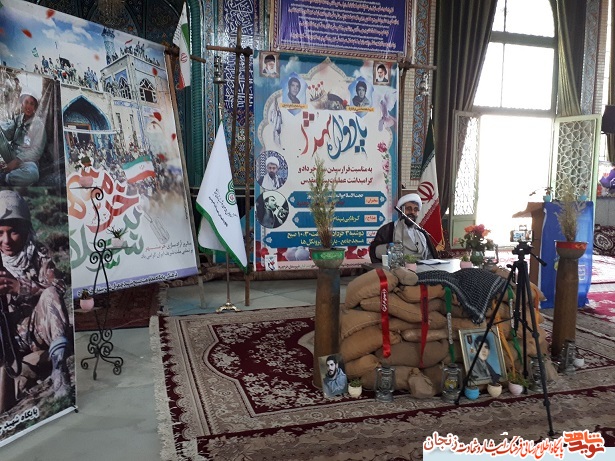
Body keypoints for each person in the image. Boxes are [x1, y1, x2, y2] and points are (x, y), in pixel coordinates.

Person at [0, 190, 71, 413]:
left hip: (37, 331)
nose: (6, 241)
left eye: (13, 232)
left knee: (49, 294)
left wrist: (21, 288)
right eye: (0, 233)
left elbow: (58, 288)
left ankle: (59, 371)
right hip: (7, 340)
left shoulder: (38, 254)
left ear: (25, 229)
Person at [369, 193, 437, 263]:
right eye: (408, 209)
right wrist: (389, 248)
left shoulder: (421, 232)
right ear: (401, 210)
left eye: (415, 209)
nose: (412, 212)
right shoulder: (388, 230)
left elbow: (430, 257)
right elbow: (375, 252)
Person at [0, 88, 47, 186]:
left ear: (35, 107)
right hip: (11, 154)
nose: (28, 106)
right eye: (26, 102)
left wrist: (17, 161)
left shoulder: (39, 125)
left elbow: (37, 151)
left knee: (33, 174)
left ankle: (6, 177)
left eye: (32, 104)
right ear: (22, 104)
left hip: (26, 161)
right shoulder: (18, 119)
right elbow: (8, 133)